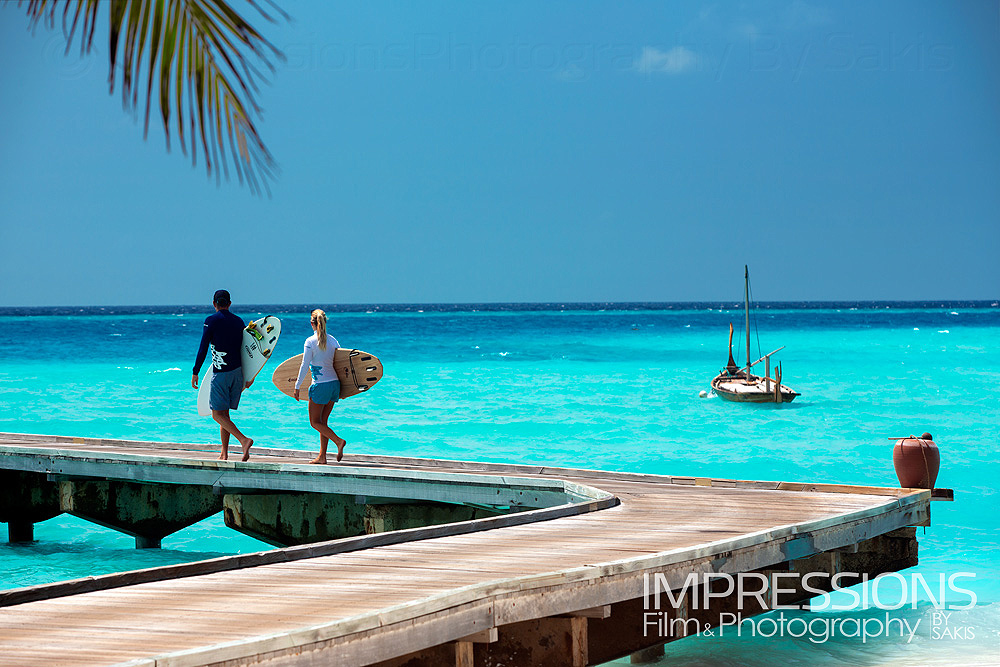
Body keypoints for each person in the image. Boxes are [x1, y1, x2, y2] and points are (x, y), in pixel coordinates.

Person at [192, 289, 254, 461]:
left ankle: (243, 440)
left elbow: (203, 347)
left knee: (217, 415)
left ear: (214, 304)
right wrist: (250, 375)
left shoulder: (211, 321)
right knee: (224, 415)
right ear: (229, 303)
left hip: (221, 374)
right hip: (237, 374)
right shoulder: (238, 321)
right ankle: (224, 452)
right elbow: (247, 351)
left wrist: (195, 371)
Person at [294, 309, 347, 464]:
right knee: (323, 422)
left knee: (314, 422)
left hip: (320, 386)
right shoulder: (333, 340)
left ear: (312, 323)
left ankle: (338, 441)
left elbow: (304, 366)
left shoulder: (310, 341)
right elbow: (341, 362)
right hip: (334, 385)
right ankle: (322, 457)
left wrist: (297, 386)